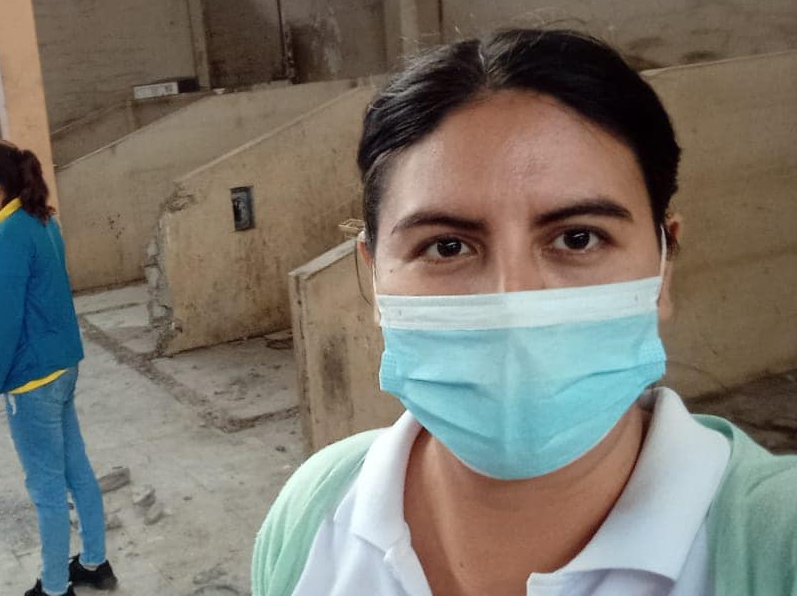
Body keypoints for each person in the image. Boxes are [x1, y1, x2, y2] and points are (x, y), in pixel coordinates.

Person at [252, 29, 796, 596]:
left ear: (662, 269)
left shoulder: (776, 541)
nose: (515, 302)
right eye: (447, 247)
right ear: (374, 274)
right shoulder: (314, 510)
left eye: (578, 238)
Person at [0, 140, 118, 596]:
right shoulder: (41, 220)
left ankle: (54, 587)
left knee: (46, 488)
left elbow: (6, 324)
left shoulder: (9, 236)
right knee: (76, 469)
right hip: (61, 365)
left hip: (32, 378)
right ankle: (94, 563)